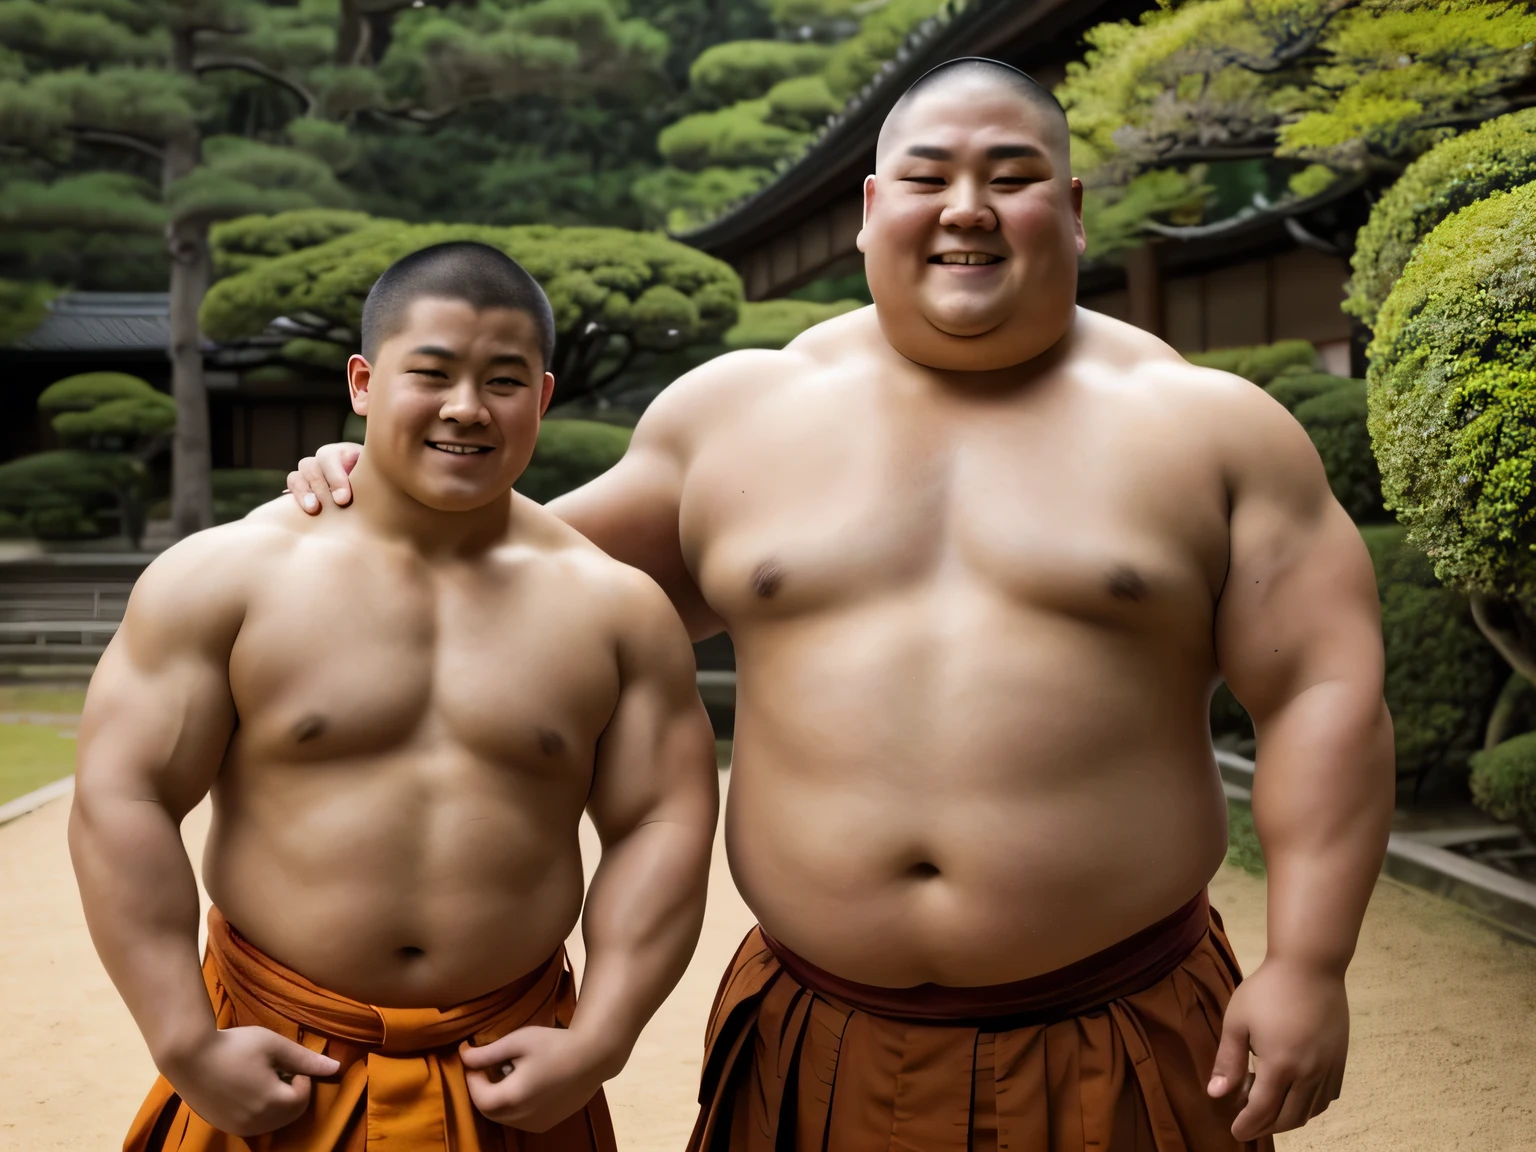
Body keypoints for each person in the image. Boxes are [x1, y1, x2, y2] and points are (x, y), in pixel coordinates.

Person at [284, 60, 1395, 1151]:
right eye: (928, 177)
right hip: (817, 1028)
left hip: (1120, 1016)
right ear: (871, 209)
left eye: (1010, 176)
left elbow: (1321, 691)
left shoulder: (1211, 430)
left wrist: (1309, 963)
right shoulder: (736, 415)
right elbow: (496, 586)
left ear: (1071, 208)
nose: (967, 208)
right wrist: (386, 478)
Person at [71, 242, 719, 1152]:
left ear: (540, 397)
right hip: (279, 1052)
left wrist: (604, 1036)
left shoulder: (613, 606)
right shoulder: (225, 579)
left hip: (512, 1061)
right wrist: (182, 1037)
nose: (466, 407)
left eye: (502, 380)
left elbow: (662, 821)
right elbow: (122, 793)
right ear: (364, 382)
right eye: (433, 373)